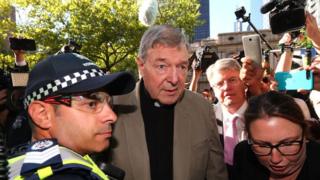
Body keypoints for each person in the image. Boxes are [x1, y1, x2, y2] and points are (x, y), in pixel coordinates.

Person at [108, 25, 227, 180]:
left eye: (182, 66)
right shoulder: (113, 109)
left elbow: (216, 174)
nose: (174, 79)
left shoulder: (202, 109)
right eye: (162, 66)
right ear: (141, 66)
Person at [8, 53, 135, 179]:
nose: (112, 116)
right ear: (42, 114)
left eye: (109, 102)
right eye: (91, 104)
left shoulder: (20, 162)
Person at [233, 91, 320, 180]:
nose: (275, 159)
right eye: (263, 145)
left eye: (288, 144)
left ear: (304, 134)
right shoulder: (243, 155)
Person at [206, 58, 247, 178]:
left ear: (243, 82)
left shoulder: (260, 112)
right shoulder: (207, 117)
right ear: (213, 89)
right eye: (219, 84)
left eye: (232, 80)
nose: (226, 87)